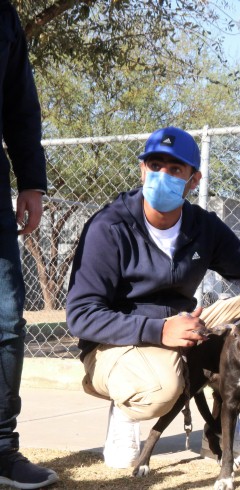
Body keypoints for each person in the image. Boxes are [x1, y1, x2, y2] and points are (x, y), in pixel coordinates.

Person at [66, 126, 240, 469]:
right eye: (155, 166)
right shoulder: (109, 226)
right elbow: (80, 316)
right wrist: (158, 330)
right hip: (117, 341)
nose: (162, 176)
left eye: (175, 170)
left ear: (193, 180)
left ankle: (220, 431)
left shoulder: (202, 226)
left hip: (182, 324)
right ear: (142, 170)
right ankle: (125, 413)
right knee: (162, 389)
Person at [0, 1, 61, 488]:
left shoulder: (4, 13)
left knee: (4, 319)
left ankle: (1, 448)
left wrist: (31, 182)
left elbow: (21, 104)